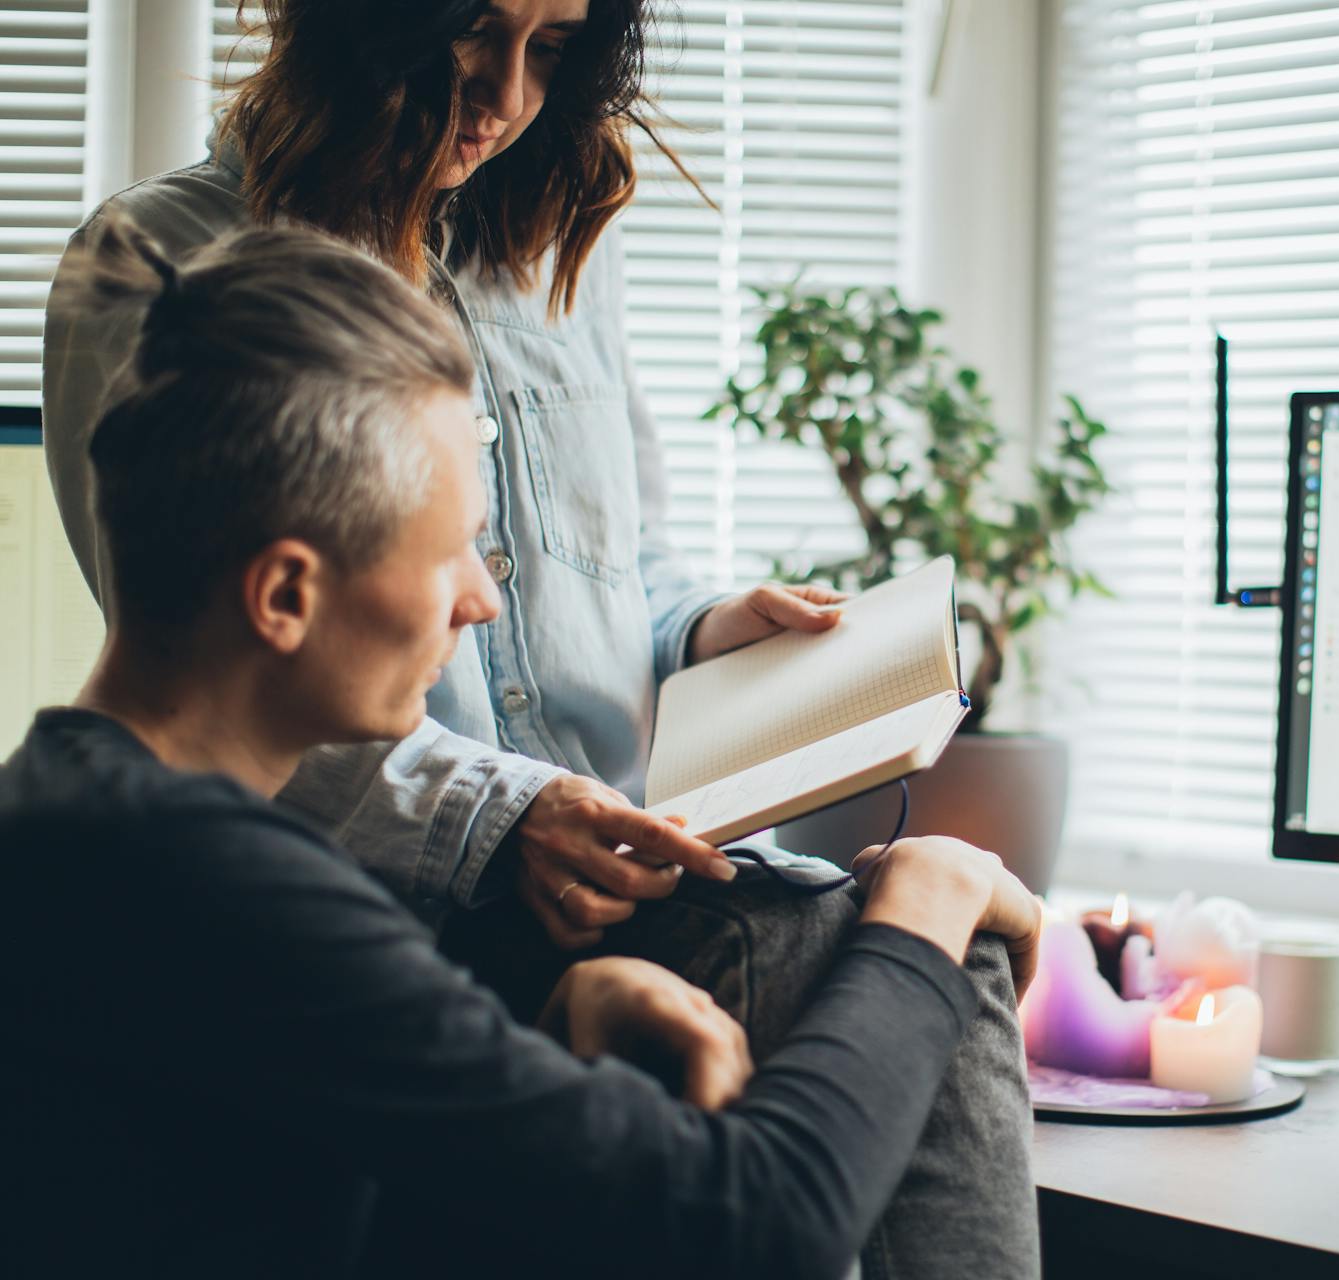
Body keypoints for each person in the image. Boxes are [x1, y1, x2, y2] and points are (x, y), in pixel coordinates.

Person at [39, 4, 1042, 1274]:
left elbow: (622, 558)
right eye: (470, 29)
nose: (507, 95)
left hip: (602, 900)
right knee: (865, 952)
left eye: (556, 47)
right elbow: (206, 647)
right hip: (422, 896)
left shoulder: (552, 239)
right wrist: (922, 901)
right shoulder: (165, 261)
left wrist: (707, 626)